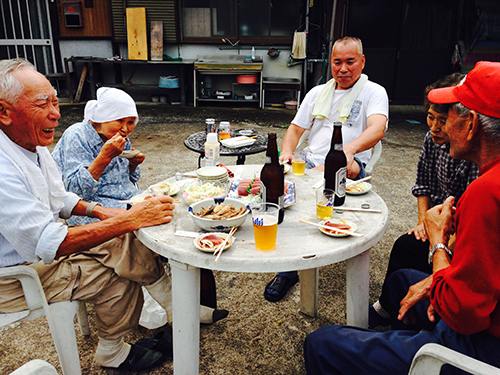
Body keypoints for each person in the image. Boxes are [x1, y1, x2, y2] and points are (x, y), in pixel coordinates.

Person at [304, 60, 500, 374]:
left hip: (478, 348)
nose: (441, 127)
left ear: (472, 123)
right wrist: (436, 280)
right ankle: (395, 346)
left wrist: (437, 242)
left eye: (449, 117)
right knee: (401, 282)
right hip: (483, 311)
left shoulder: (486, 192)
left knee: (322, 343)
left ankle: (414, 355)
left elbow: (463, 315)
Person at [0, 59, 187, 372]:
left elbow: (61, 198)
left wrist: (105, 212)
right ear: (4, 111)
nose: (55, 113)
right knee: (125, 261)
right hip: (17, 278)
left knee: (126, 256)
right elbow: (50, 241)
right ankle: (174, 317)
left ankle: (170, 316)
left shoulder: (30, 144)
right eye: (42, 103)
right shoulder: (6, 165)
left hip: (41, 254)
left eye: (56, 101)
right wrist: (127, 220)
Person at [51, 88, 228, 322]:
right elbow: (72, 191)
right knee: (133, 237)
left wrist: (133, 165)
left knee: (176, 215)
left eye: (131, 122)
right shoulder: (77, 136)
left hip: (128, 201)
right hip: (91, 211)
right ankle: (177, 308)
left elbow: (130, 180)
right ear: (102, 118)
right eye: (120, 121)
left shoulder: (121, 138)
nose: (125, 128)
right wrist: (103, 157)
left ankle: (186, 294)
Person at [264, 36, 389, 302]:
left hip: (350, 162)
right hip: (310, 162)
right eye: (337, 62)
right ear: (330, 64)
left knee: (344, 168)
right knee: (275, 192)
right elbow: (296, 129)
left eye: (350, 62)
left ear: (362, 62)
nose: (343, 68)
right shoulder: (318, 92)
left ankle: (293, 266)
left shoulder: (374, 92)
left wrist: (348, 150)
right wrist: (286, 153)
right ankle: (287, 263)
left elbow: (378, 128)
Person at [369, 73, 479, 328]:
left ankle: (414, 319)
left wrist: (440, 240)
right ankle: (387, 307)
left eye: (443, 121)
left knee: (421, 259)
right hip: (437, 223)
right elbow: (423, 184)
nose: (435, 127)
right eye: (431, 117)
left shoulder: (473, 151)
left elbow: (468, 215)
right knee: (405, 245)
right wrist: (423, 224)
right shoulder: (432, 140)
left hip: (458, 232)